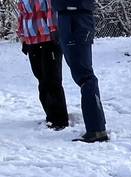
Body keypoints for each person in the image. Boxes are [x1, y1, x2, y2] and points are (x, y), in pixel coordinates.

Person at [51, 0, 108, 143]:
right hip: (68, 18)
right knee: (82, 75)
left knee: (85, 76)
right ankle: (96, 126)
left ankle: (96, 129)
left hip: (76, 19)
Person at [16, 0, 69, 130]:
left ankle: (60, 119)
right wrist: (22, 35)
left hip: (48, 39)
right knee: (41, 79)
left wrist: (54, 31)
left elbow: (52, 11)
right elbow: (22, 14)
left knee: (52, 79)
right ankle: (50, 116)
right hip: (31, 41)